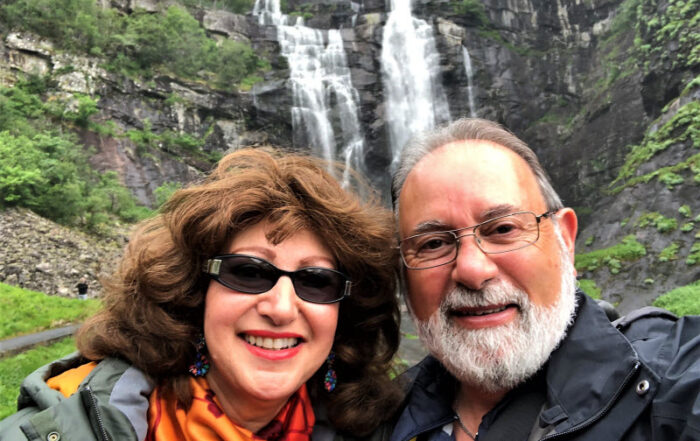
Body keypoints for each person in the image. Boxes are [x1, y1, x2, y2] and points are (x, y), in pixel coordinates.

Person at [0, 147, 402, 441]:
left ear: (344, 315)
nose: (281, 308)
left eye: (317, 281)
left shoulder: (382, 431)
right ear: (193, 295)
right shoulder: (68, 428)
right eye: (248, 272)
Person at [389, 118, 700, 441]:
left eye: (503, 229)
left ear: (565, 240)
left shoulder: (671, 376)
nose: (472, 270)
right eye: (433, 244)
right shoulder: (378, 416)